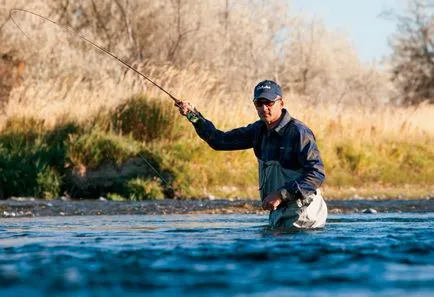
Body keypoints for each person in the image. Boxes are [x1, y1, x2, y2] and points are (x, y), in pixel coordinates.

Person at [176, 80, 327, 229]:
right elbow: (219, 140)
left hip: (305, 214)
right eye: (259, 103)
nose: (264, 108)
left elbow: (316, 173)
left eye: (269, 102)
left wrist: (281, 195)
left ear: (281, 103)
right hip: (279, 212)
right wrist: (192, 114)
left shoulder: (299, 132)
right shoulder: (257, 131)